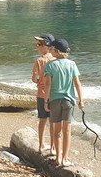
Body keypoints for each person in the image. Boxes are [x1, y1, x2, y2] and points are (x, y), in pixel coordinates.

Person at [40, 37, 84, 167]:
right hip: (68, 101)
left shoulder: (50, 65)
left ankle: (58, 158)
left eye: (52, 49)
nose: (50, 50)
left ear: (57, 51)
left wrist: (46, 101)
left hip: (54, 100)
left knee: (57, 131)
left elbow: (48, 85)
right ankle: (65, 159)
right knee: (67, 131)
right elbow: (77, 84)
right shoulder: (72, 64)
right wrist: (81, 100)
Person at [31, 34, 56, 155]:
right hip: (53, 95)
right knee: (53, 122)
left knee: (42, 120)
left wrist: (40, 81)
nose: (37, 47)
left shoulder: (39, 61)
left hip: (41, 94)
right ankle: (53, 147)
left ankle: (41, 145)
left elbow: (34, 79)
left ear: (46, 46)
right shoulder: (55, 60)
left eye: (39, 44)